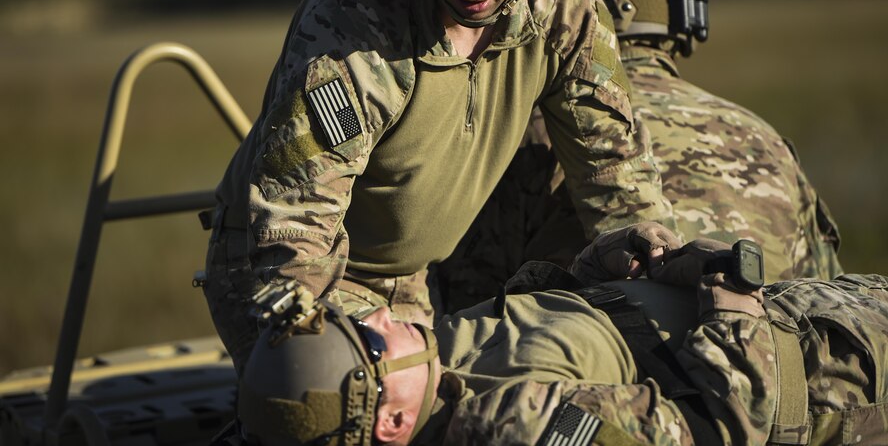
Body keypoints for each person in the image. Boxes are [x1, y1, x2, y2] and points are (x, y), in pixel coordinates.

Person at [203, 0, 673, 374]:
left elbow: (617, 181)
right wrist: (308, 350)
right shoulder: (355, 25)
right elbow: (294, 229)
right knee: (344, 402)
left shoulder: (567, 13)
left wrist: (652, 265)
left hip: (410, 277)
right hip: (296, 265)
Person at [434, 0, 843, 314]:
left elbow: (470, 310)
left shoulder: (527, 132)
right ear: (681, 24)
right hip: (754, 373)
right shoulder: (763, 136)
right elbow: (824, 298)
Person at [234, 222, 888, 445]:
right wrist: (732, 301)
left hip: (803, 310)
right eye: (369, 345)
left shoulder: (422, 363)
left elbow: (524, 335)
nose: (380, 317)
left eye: (356, 320)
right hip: (836, 368)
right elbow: (718, 427)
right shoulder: (515, 429)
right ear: (391, 422)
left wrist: (585, 275)